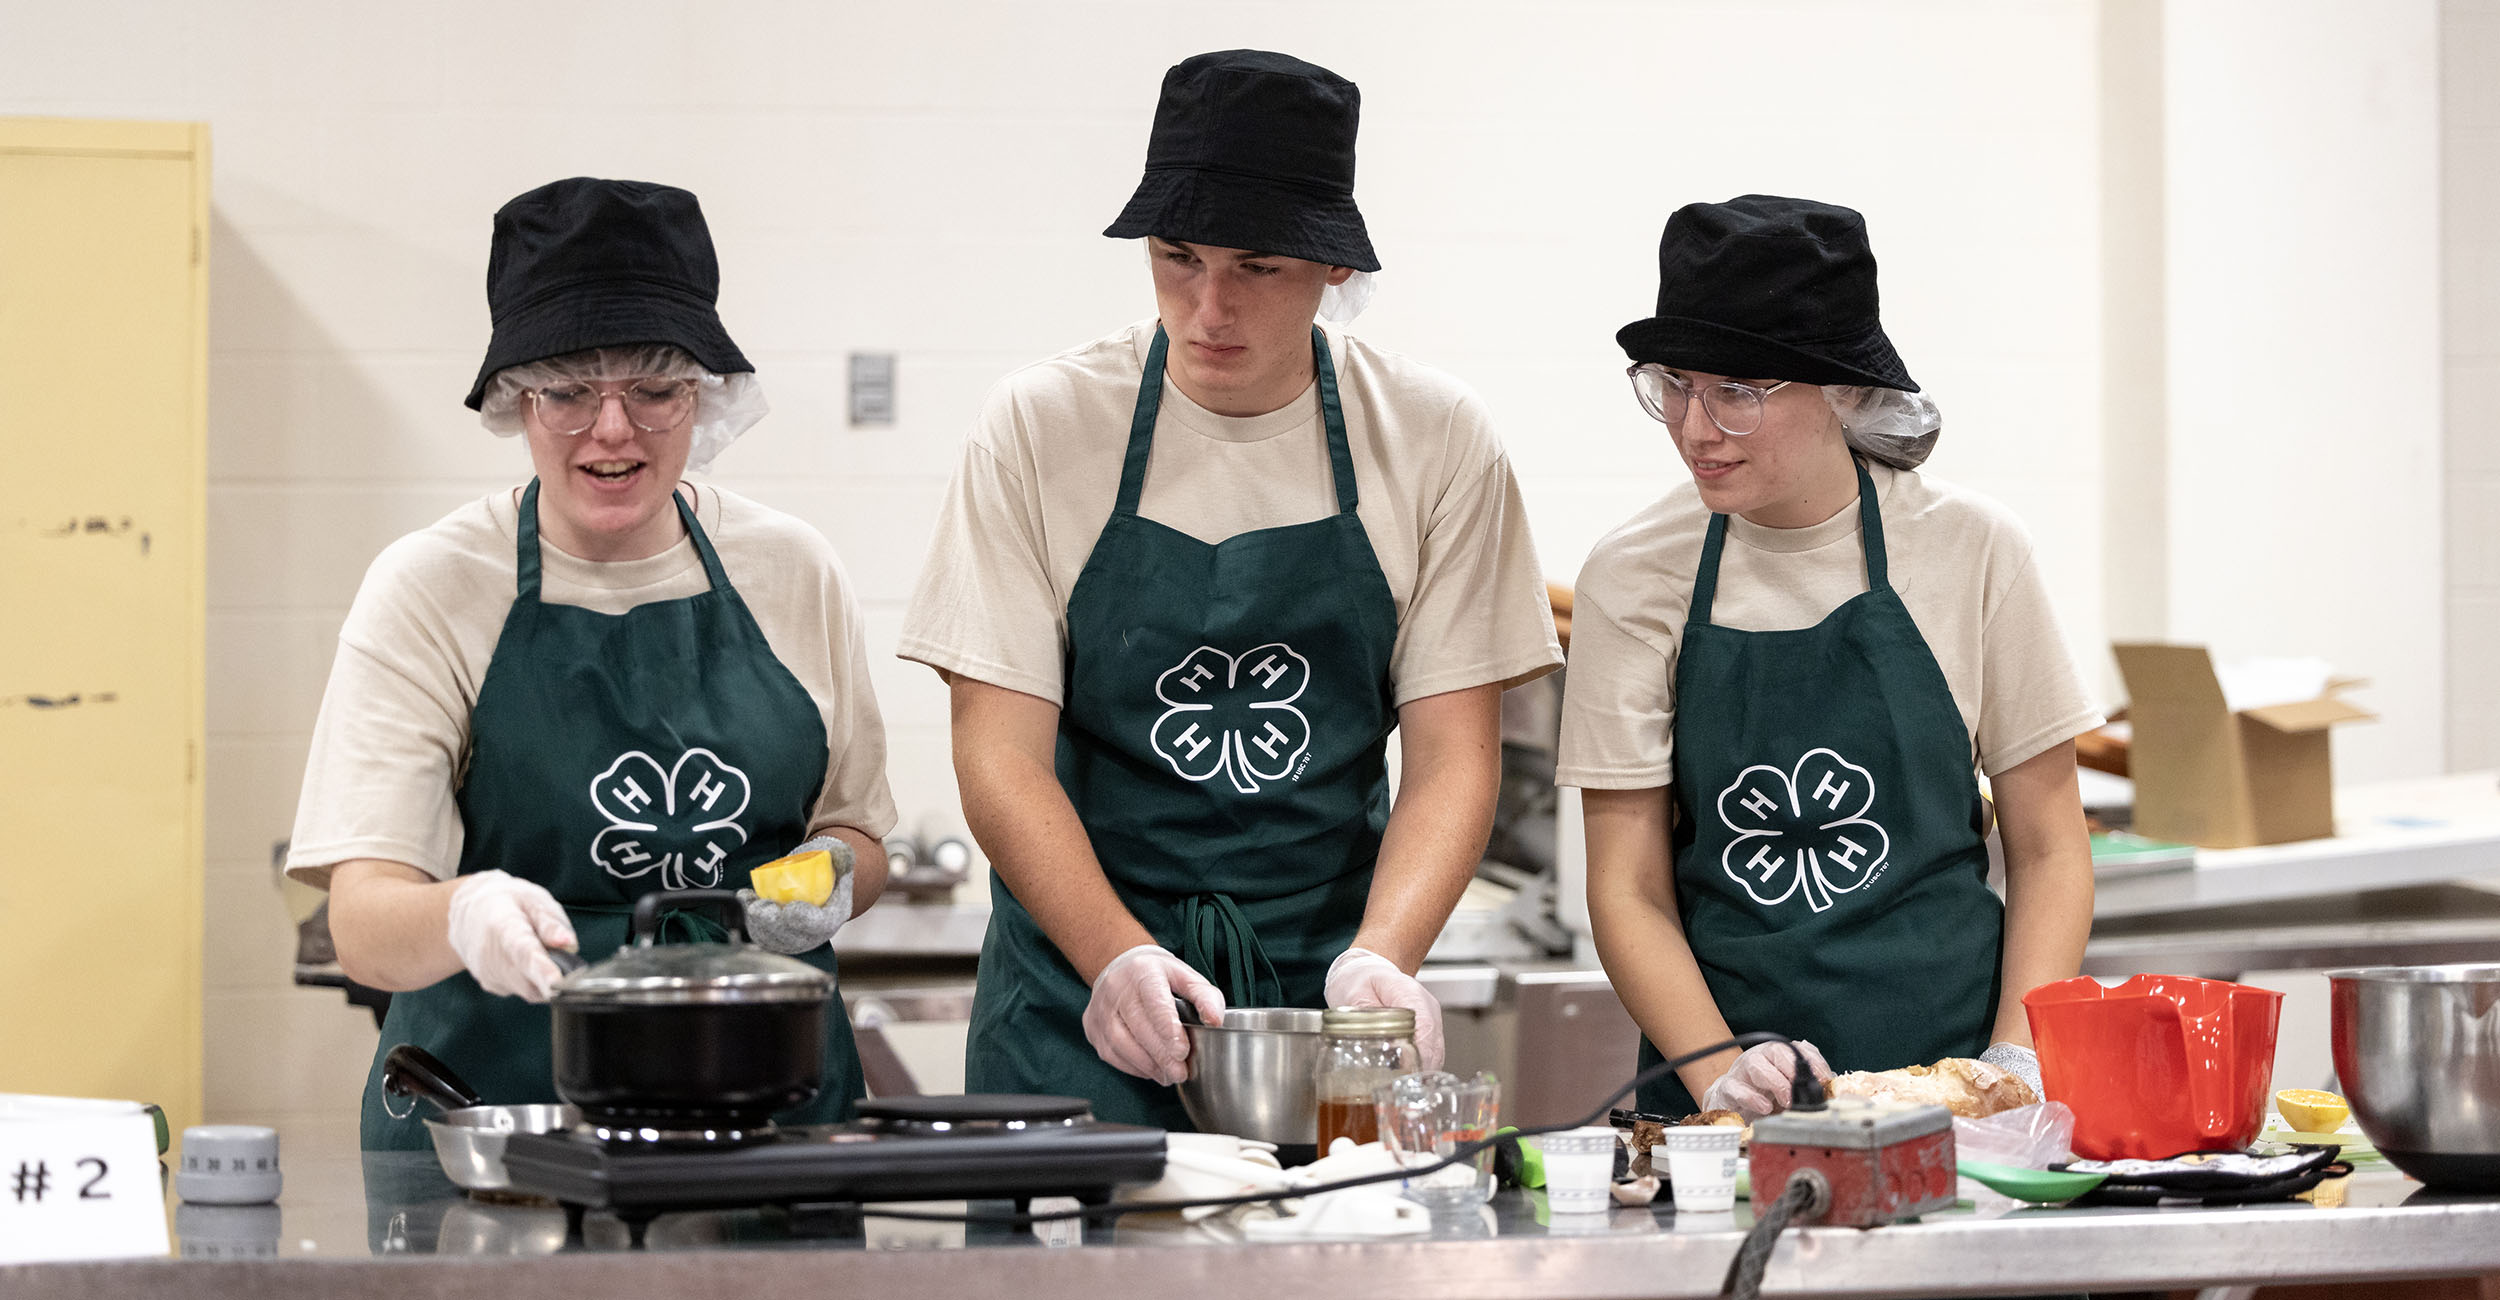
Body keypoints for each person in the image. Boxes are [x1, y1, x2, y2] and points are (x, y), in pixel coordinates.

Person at [899, 50, 1563, 1129]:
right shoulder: (1044, 425)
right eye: (1176, 257)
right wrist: (1113, 951)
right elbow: (998, 750)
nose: (1206, 307)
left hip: (1321, 1006)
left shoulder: (1434, 439)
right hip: (1080, 990)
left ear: (1331, 267)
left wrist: (1380, 959)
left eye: (1256, 266)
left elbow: (1452, 755)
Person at [284, 177, 896, 1148]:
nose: (612, 429)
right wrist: (462, 914)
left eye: (654, 388)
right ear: (514, 400)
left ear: (704, 394)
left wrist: (828, 879)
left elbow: (859, 833)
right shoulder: (433, 587)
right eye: (568, 391)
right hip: (505, 1125)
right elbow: (362, 922)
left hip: (766, 1120)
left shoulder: (791, 569)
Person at [1559, 195, 2099, 1121]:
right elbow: (1628, 885)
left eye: (1737, 391)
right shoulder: (1632, 575)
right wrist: (1718, 1075)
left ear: (1841, 389)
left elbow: (2050, 847)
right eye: (1674, 383)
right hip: (1723, 1097)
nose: (1694, 427)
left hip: (1955, 1085)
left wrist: (2012, 1063)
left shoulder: (1971, 552)